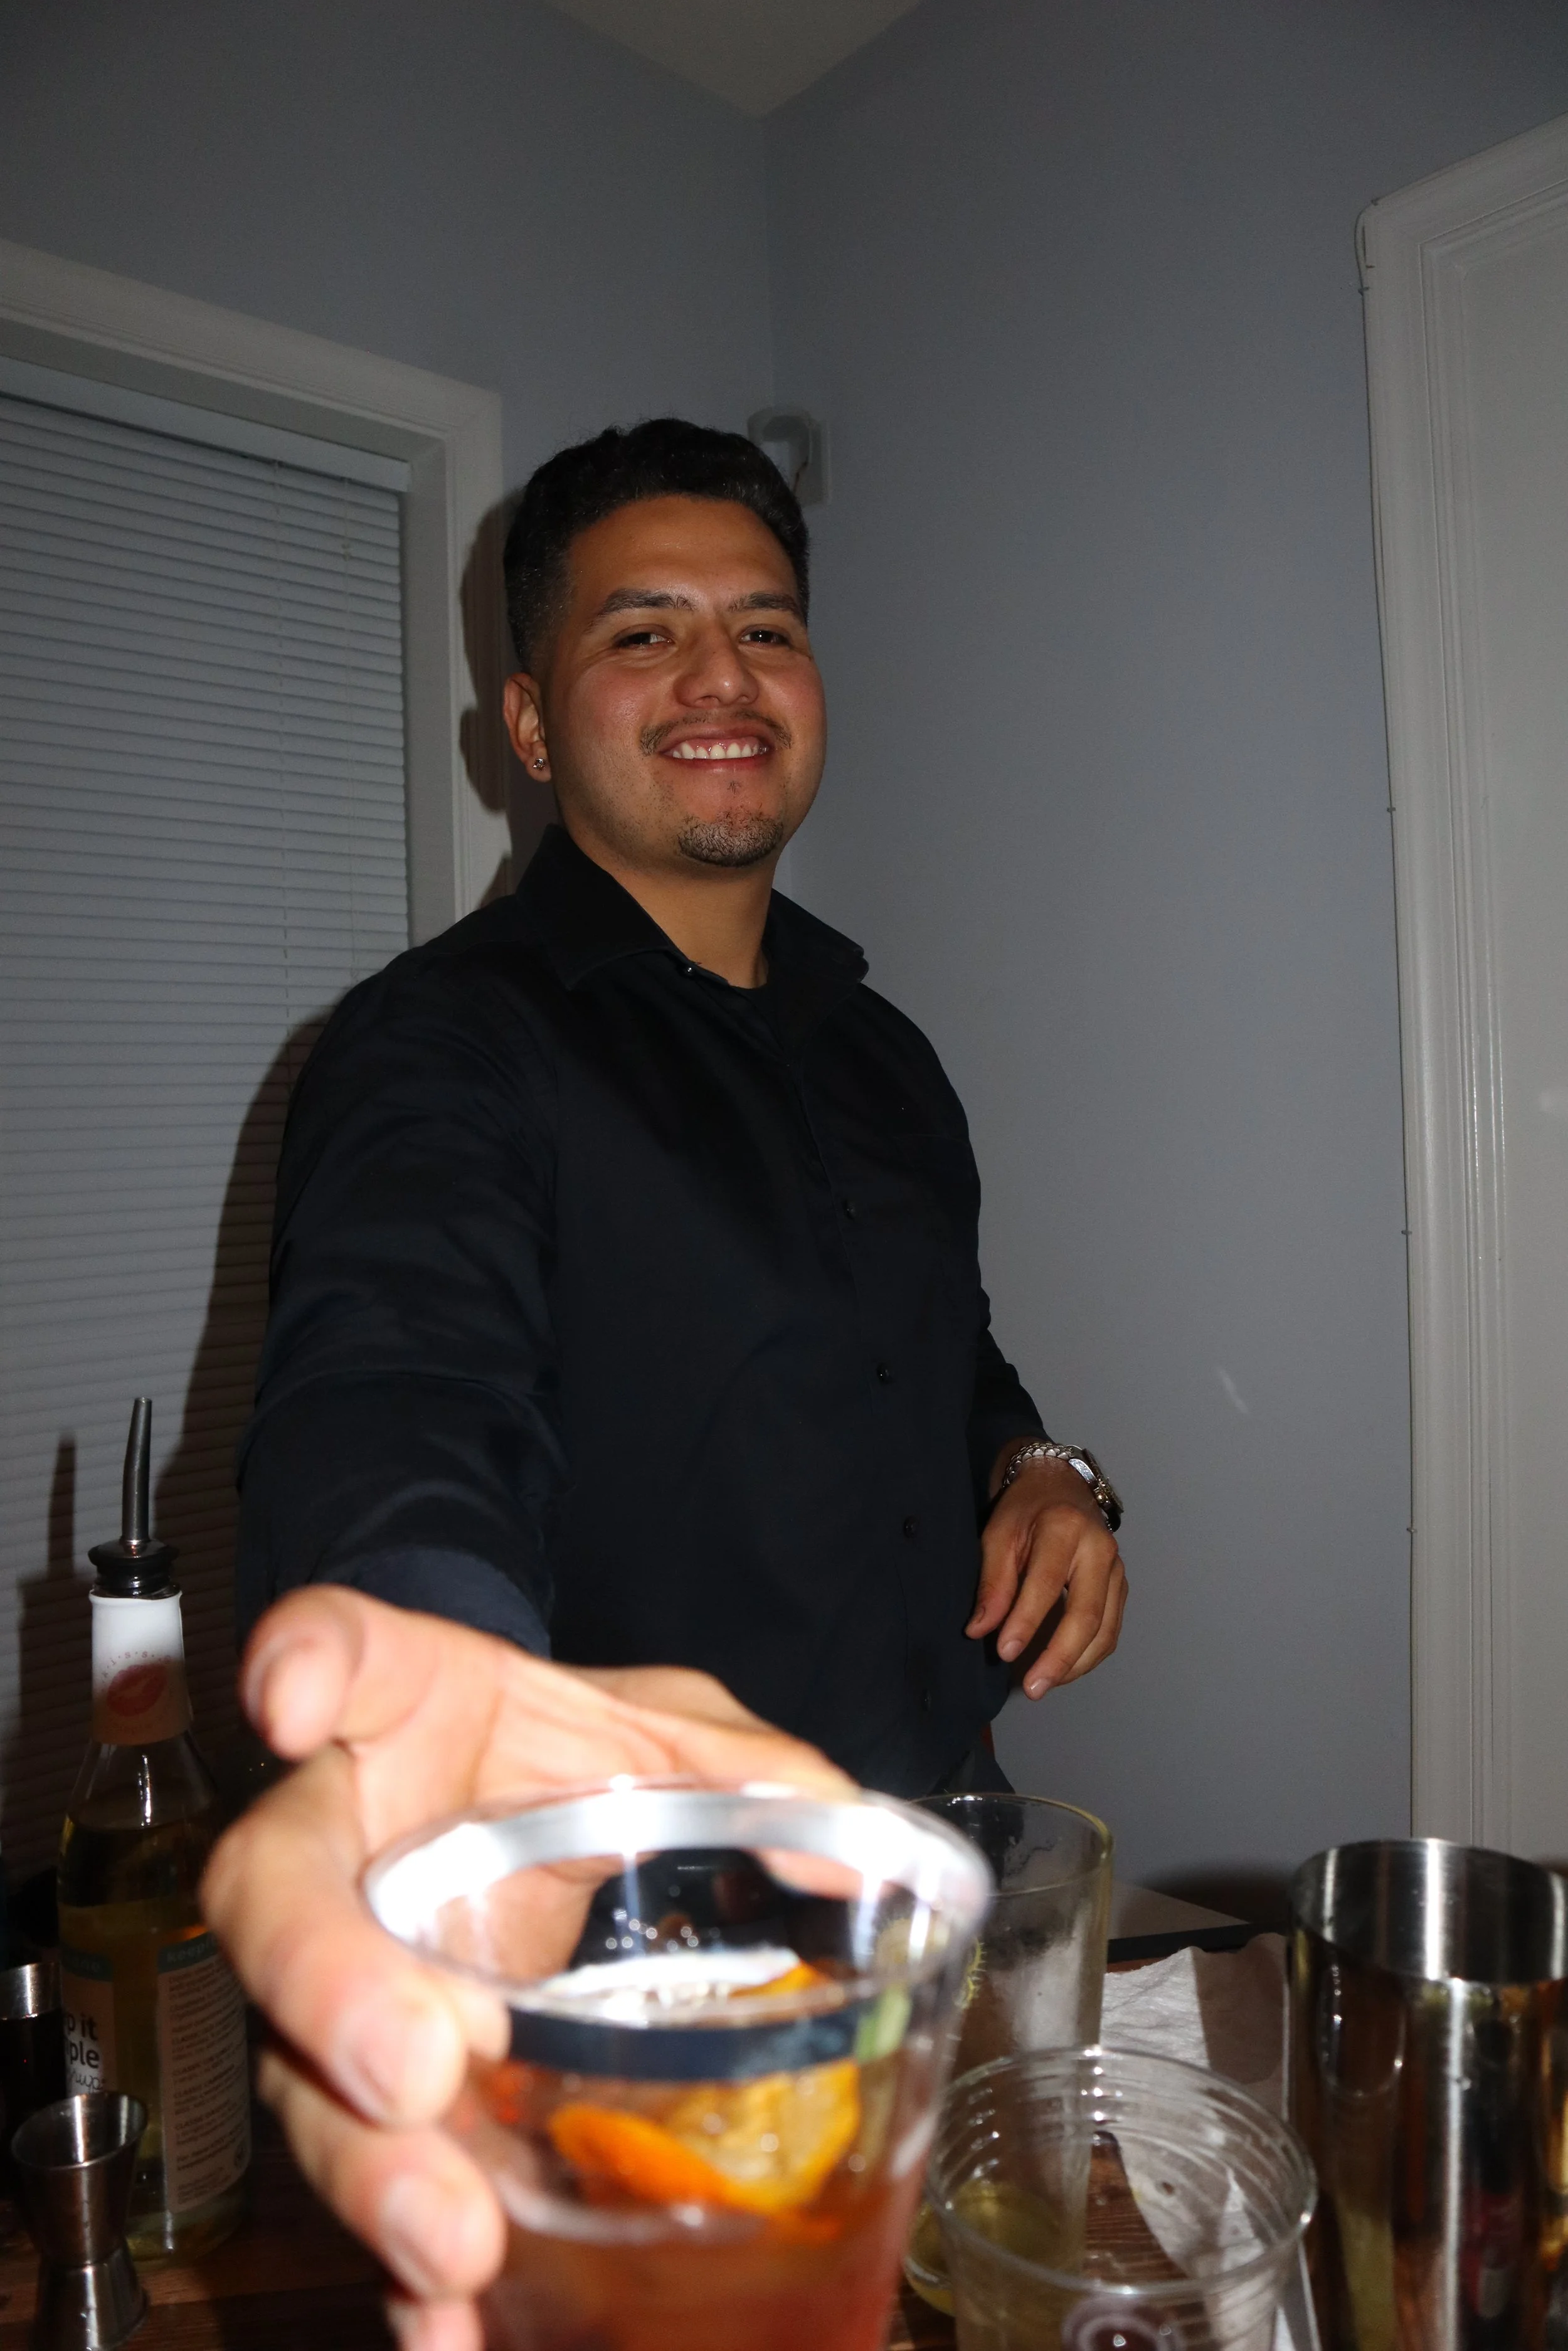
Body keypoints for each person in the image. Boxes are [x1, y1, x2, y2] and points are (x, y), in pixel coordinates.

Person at [235, 417, 1128, 1796]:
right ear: (528, 727)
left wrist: (1034, 1469)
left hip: (952, 1838)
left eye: (766, 632)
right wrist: (440, 1718)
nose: (722, 675)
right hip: (652, 1915)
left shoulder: (885, 1051)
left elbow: (943, 1356)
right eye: (643, 636)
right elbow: (398, 1404)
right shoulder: (439, 1046)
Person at [204, 1584, 855, 2351]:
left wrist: (1026, 1464)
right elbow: (400, 1474)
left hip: (907, 1877)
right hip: (586, 1923)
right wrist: (437, 1705)